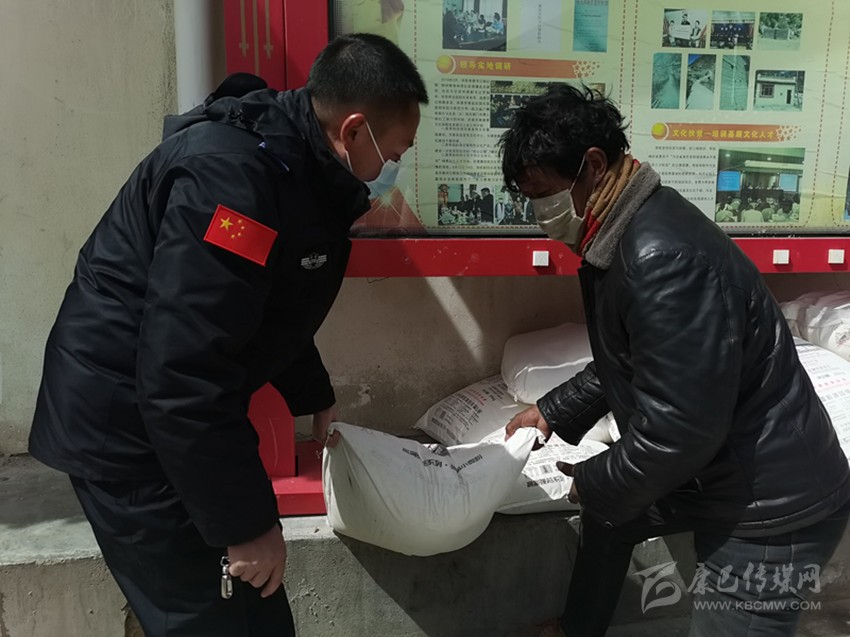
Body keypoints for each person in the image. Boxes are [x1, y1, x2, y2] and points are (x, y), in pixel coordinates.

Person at [29, 33, 427, 637]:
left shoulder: (291, 164)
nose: (393, 171)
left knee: (256, 610)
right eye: (395, 153)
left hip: (169, 419)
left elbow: (257, 305)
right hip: (127, 430)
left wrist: (313, 394)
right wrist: (245, 525)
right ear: (352, 131)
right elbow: (185, 366)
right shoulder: (232, 183)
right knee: (205, 616)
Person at [500, 84, 850, 637]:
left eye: (544, 194)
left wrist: (594, 478)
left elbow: (679, 434)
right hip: (718, 471)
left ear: (593, 166)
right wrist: (554, 410)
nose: (541, 214)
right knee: (610, 512)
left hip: (768, 509)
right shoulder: (621, 230)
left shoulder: (661, 257)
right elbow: (640, 361)